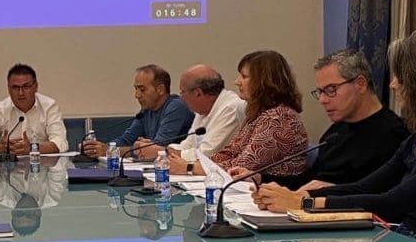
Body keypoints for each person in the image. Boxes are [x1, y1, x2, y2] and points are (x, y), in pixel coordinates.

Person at [255, 30, 416, 242]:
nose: (392, 85)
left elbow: (392, 202)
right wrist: (296, 195)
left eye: (400, 77)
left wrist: (304, 203)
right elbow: (366, 186)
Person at [274, 49, 409, 190]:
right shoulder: (335, 132)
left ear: (360, 84)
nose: (322, 100)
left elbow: (381, 194)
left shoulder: (394, 134)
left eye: (331, 89)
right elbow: (309, 180)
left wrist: (331, 191)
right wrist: (264, 181)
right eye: (320, 92)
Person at [170, 51, 308, 179]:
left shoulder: (279, 118)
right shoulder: (258, 114)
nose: (237, 82)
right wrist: (193, 165)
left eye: (244, 76)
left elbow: (242, 165)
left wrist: (189, 167)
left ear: (264, 82)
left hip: (276, 192)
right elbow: (229, 152)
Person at [81, 64, 193, 160]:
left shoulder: (176, 107)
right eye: (136, 89)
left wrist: (109, 151)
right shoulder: (146, 110)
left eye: (142, 89)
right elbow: (126, 140)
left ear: (160, 89)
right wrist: (98, 148)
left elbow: (156, 148)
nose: (137, 95)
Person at [0, 63, 68, 155]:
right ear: (9, 89)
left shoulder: (49, 106)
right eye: (15, 87)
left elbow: (60, 143)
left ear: (36, 87)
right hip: (10, 167)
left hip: (42, 166)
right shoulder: (1, 109)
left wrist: (32, 148)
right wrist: (1, 148)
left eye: (26, 87)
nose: (20, 93)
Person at [168, 64, 246, 167]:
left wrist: (165, 152)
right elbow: (188, 145)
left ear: (198, 93)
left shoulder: (230, 109)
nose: (181, 98)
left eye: (182, 92)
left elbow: (207, 154)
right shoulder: (202, 109)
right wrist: (165, 151)